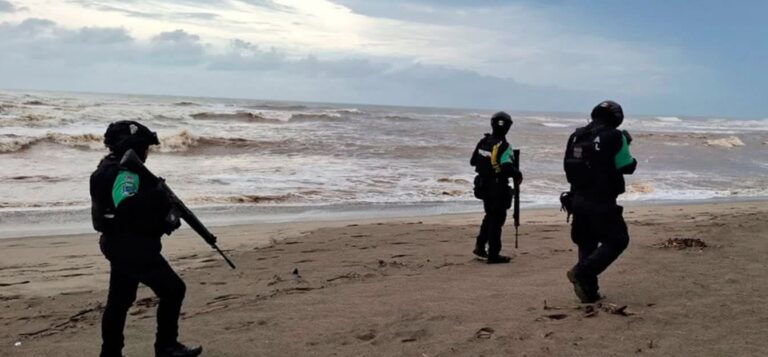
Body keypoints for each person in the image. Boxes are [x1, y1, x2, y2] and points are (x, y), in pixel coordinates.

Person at [90, 121, 203, 357]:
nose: (147, 152)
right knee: (173, 290)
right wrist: (163, 215)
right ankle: (166, 347)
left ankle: (110, 353)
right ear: (134, 148)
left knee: (119, 301)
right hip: (132, 247)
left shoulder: (109, 168)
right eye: (145, 147)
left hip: (119, 244)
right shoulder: (126, 173)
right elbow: (127, 205)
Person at [562, 100, 637, 303]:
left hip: (577, 198)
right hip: (602, 199)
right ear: (617, 117)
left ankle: (589, 293)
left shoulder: (576, 135)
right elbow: (627, 166)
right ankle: (582, 272)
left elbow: (569, 166)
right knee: (618, 240)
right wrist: (626, 145)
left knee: (586, 242)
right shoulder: (615, 136)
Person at [470, 111, 524, 264]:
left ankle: (480, 246)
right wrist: (517, 173)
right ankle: (493, 254)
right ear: (508, 127)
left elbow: (473, 161)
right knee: (497, 220)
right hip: (497, 187)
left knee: (489, 216)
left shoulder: (483, 141)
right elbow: (507, 168)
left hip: (483, 185)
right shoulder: (505, 146)